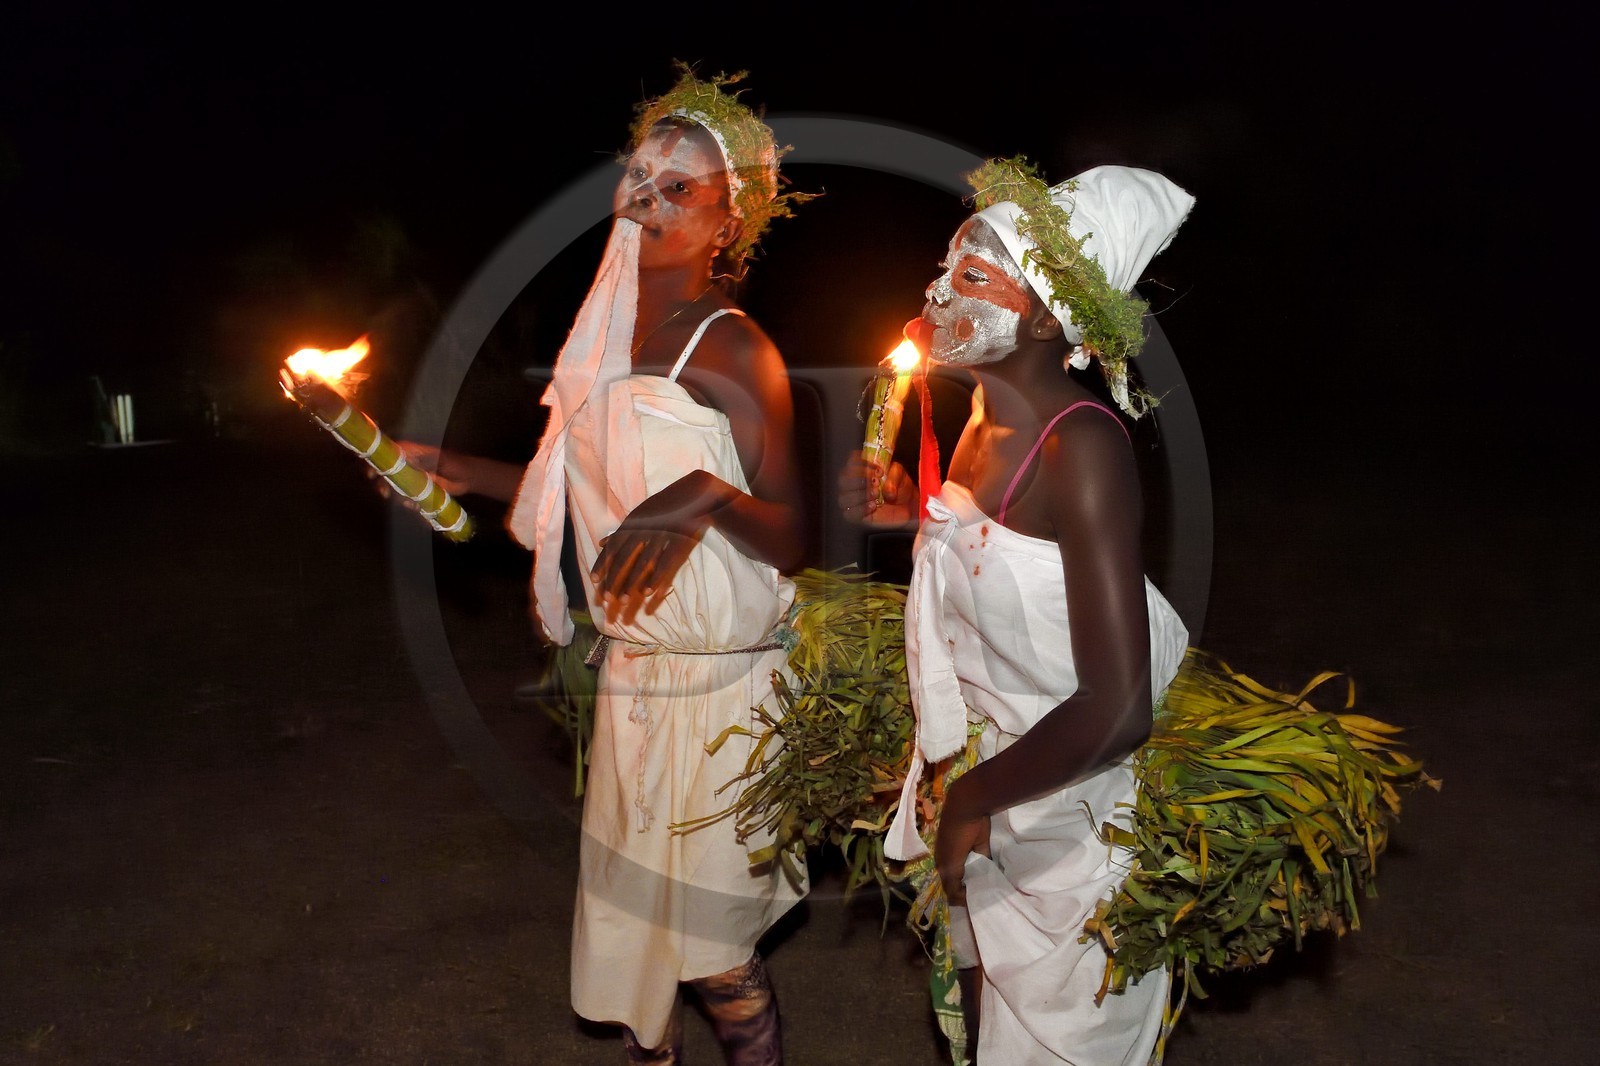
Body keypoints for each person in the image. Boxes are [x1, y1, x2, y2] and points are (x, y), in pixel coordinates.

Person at [401, 68, 811, 1065]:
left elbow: (791, 537)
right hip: (637, 681)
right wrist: (452, 467)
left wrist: (703, 493)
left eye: (682, 186)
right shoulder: (600, 340)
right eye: (640, 175)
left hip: (725, 696)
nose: (651, 196)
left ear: (727, 220)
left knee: (716, 958)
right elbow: (579, 488)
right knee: (640, 950)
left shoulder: (732, 348)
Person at [839, 159, 1194, 1065]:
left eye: (972, 275)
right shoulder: (982, 421)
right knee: (979, 1023)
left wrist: (973, 799)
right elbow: (1002, 558)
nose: (935, 291)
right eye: (943, 267)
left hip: (1069, 802)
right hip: (994, 778)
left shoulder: (1080, 446)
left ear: (1043, 319)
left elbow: (1118, 707)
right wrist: (905, 515)